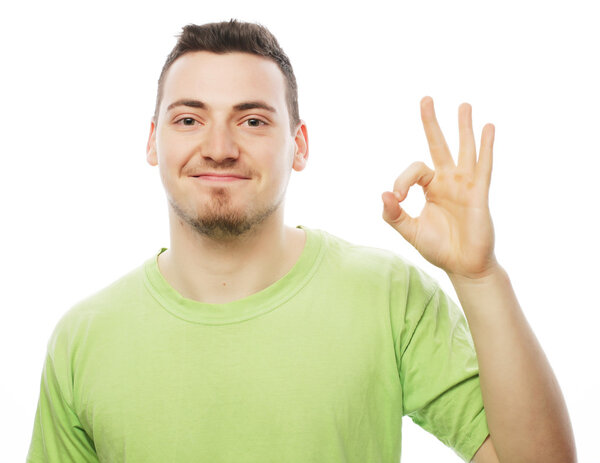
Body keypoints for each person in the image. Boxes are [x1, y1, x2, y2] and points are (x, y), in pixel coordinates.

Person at [26, 20, 576, 463]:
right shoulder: (83, 339)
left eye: (253, 121)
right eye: (190, 118)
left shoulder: (388, 297)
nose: (218, 147)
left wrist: (479, 277)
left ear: (299, 145)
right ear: (153, 141)